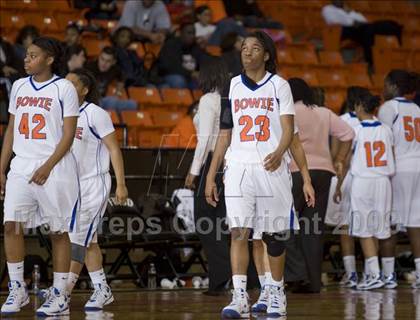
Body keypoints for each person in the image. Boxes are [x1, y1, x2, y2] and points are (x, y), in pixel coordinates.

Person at [206, 31, 299, 318]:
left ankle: (276, 292)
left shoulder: (279, 86)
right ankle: (240, 297)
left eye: (255, 48)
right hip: (238, 166)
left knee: (273, 236)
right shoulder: (232, 85)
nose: (247, 52)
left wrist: (280, 152)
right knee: (238, 232)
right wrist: (211, 174)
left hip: (270, 166)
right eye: (244, 47)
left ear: (267, 55)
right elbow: (224, 133)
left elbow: (289, 130)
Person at [0, 37, 79, 316]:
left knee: (58, 232)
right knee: (11, 226)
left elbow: (69, 134)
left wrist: (48, 165)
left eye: (33, 56)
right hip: (21, 165)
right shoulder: (19, 86)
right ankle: (18, 289)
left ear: (49, 59)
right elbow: (11, 129)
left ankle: (59, 293)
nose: (26, 59)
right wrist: (2, 166)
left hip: (54, 167)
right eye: (26, 55)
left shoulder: (64, 88)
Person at [65, 69, 128, 309]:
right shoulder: (61, 114)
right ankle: (102, 289)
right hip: (71, 186)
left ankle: (63, 291)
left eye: (72, 84)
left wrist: (121, 184)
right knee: (88, 240)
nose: (65, 87)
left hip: (95, 183)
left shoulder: (95, 113)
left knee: (77, 239)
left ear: (84, 89)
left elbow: (114, 149)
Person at [285, 78, 354, 293]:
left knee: (283, 224)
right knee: (313, 229)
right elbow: (349, 134)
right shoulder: (324, 112)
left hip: (296, 173)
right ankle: (314, 282)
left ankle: (297, 275)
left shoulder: (288, 112)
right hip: (324, 173)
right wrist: (340, 159)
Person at [336, 88, 394, 290]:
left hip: (363, 181)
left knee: (364, 229)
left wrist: (339, 186)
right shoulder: (386, 129)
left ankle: (374, 275)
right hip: (384, 181)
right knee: (381, 229)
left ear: (360, 107)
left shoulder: (357, 131)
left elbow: (343, 160)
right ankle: (384, 275)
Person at [251, 132, 316, 313]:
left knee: (271, 237)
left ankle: (275, 290)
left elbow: (295, 144)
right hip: (249, 175)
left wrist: (306, 180)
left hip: (275, 176)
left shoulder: (281, 107)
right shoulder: (244, 104)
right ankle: (265, 289)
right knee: (256, 239)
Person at [184, 57, 231, 295]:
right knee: (223, 225)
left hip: (211, 164)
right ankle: (243, 277)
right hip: (229, 165)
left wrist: (193, 172)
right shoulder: (229, 100)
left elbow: (203, 142)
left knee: (205, 224)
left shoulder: (207, 100)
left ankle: (221, 276)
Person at [377, 70, 420, 289]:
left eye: (386, 84)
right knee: (415, 223)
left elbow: (386, 142)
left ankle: (388, 275)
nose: (383, 88)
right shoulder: (417, 108)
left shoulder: (389, 107)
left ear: (394, 86)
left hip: (399, 167)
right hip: (418, 165)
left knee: (390, 221)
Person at [325, 86, 364, 289]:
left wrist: (338, 183)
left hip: (346, 177)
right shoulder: (373, 122)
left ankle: (351, 274)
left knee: (345, 228)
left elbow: (336, 156)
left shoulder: (342, 121)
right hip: (369, 178)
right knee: (371, 229)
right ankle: (378, 273)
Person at [322, 0, 402, 65]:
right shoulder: (328, 8)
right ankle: (369, 58)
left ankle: (393, 26)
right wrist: (352, 22)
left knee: (372, 28)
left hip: (359, 28)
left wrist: (350, 12)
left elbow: (363, 20)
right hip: (341, 31)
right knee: (370, 29)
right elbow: (333, 21)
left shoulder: (347, 10)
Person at [85, 46, 137, 111]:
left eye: (108, 61)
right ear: (98, 57)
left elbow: (121, 78)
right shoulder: (89, 68)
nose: (104, 63)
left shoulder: (114, 69)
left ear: (113, 62)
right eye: (102, 59)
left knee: (132, 104)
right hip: (90, 100)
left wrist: (118, 92)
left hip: (103, 99)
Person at [158, 23, 207, 89]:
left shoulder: (195, 47)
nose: (192, 36)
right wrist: (191, 73)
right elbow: (170, 67)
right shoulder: (171, 45)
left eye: (193, 33)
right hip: (170, 75)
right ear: (181, 33)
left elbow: (204, 60)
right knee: (179, 81)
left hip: (190, 78)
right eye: (189, 33)